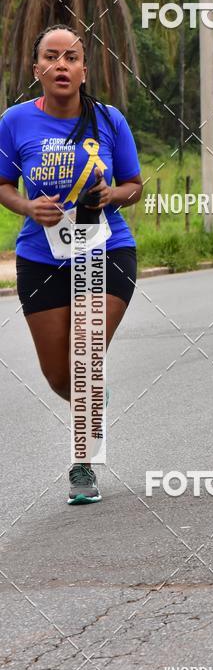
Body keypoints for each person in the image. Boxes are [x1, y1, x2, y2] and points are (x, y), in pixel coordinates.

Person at [0, 25, 142, 503]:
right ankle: (90, 405)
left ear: (85, 70)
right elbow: (2, 185)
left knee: (83, 352)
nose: (62, 65)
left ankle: (83, 462)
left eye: (72, 57)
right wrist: (26, 207)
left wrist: (112, 194)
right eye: (51, 57)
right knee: (60, 375)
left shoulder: (109, 119)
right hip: (42, 259)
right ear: (37, 68)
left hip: (106, 249)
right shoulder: (15, 122)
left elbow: (135, 184)